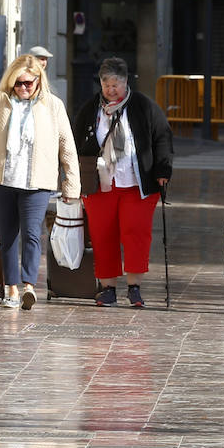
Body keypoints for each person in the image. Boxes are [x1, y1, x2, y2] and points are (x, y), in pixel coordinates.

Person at [0, 53, 80, 309]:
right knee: (7, 236)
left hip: (37, 182)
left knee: (31, 234)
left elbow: (66, 146)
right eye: (19, 83)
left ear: (40, 81)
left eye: (29, 82)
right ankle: (11, 288)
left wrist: (71, 185)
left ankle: (29, 286)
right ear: (10, 82)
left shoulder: (53, 106)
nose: (24, 87)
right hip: (3, 180)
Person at [73, 57, 173, 308]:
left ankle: (134, 287)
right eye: (106, 84)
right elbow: (75, 141)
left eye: (116, 84)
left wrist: (163, 170)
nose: (111, 90)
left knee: (135, 233)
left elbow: (162, 137)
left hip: (136, 183)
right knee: (102, 234)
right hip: (100, 184)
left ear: (126, 82)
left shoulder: (142, 106)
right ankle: (107, 289)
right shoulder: (90, 108)